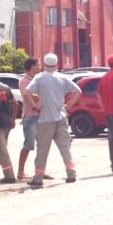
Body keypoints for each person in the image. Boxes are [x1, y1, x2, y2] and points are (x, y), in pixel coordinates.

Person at [25, 53, 82, 186]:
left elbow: (26, 92)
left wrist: (34, 107)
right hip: (61, 117)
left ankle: (38, 177)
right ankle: (71, 172)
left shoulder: (39, 78)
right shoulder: (62, 77)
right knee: (64, 147)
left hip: (45, 119)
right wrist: (68, 106)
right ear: (56, 64)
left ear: (44, 64)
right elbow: (78, 91)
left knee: (42, 149)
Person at [17, 57, 54, 180]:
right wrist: (40, 96)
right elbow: (26, 94)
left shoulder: (38, 79)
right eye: (37, 65)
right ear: (32, 66)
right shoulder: (23, 80)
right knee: (28, 145)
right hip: (30, 117)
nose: (39, 67)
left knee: (42, 145)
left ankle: (40, 171)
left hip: (41, 116)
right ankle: (20, 172)